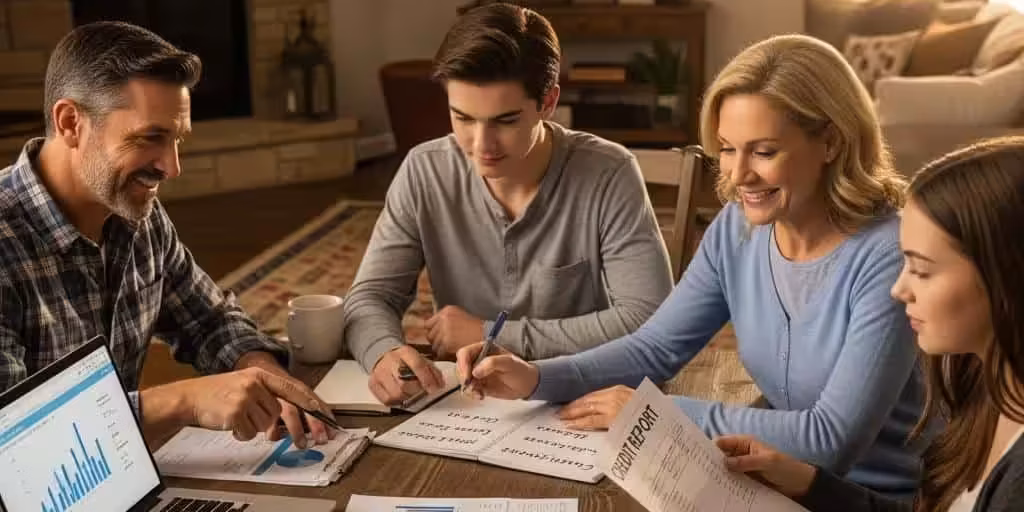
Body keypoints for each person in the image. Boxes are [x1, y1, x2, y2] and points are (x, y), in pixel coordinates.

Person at [455, 34, 928, 497]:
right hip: (768, 483)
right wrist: (537, 377)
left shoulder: (889, 254)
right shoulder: (736, 229)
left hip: (876, 499)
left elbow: (830, 442)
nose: (738, 175)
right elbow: (654, 348)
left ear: (831, 143)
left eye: (764, 152)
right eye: (727, 148)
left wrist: (655, 414)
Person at [0, 21, 335, 448]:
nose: (172, 168)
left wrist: (261, 372)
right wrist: (185, 402)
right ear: (70, 123)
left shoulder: (136, 214)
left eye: (177, 140)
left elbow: (210, 321)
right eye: (151, 137)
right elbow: (11, 440)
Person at [344, 4, 672, 405]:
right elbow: (369, 297)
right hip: (466, 405)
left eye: (505, 120)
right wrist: (383, 352)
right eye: (463, 118)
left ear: (548, 102)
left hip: (577, 397)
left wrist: (492, 334)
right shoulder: (423, 171)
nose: (481, 146)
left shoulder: (609, 172)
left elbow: (650, 321)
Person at [716, 136, 1024, 511]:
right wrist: (808, 484)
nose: (899, 289)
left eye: (922, 270)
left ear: (1006, 276)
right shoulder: (986, 393)